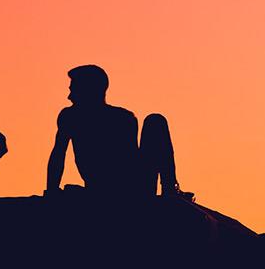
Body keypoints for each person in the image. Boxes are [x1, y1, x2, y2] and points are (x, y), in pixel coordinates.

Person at [46, 65, 188, 198]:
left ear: (90, 91)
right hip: (102, 189)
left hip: (133, 189)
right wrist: (51, 189)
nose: (69, 97)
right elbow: (58, 154)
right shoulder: (70, 117)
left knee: (155, 121)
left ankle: (169, 188)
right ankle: (170, 191)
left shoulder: (123, 118)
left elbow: (127, 163)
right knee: (156, 120)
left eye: (74, 91)